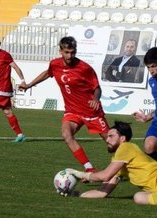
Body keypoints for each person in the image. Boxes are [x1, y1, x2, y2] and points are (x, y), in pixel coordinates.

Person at [21, 36, 109, 173]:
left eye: (73, 52)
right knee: (66, 135)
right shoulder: (55, 64)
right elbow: (47, 73)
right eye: (67, 52)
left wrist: (96, 99)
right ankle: (89, 169)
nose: (70, 55)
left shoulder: (85, 68)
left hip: (91, 112)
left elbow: (97, 88)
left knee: (112, 143)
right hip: (72, 111)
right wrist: (29, 85)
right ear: (60, 51)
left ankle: (129, 166)